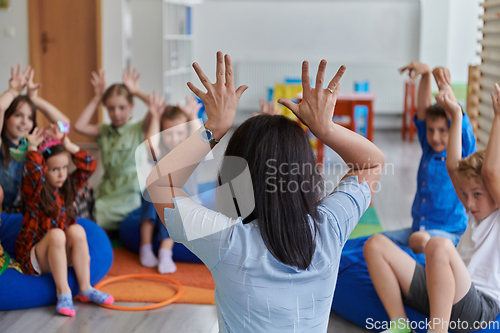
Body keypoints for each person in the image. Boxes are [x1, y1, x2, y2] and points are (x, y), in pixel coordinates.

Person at [145, 52, 385, 332]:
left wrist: (214, 128)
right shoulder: (329, 227)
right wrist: (325, 129)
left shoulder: (227, 242)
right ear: (306, 172)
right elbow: (372, 164)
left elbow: (160, 184)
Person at [363, 78, 500, 333]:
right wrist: (456, 115)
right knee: (375, 244)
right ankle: (400, 324)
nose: (468, 203)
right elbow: (452, 165)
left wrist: (499, 117)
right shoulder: (475, 209)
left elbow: (492, 171)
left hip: (478, 304)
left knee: (437, 244)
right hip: (444, 292)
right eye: (466, 194)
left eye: (477, 194)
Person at [15, 124, 113, 317]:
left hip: (60, 253)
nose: (61, 174)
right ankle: (64, 292)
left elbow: (89, 164)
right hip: (36, 257)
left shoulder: (66, 187)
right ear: (44, 171)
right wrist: (33, 148)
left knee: (77, 230)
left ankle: (85, 288)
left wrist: (67, 144)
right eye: (54, 169)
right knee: (57, 235)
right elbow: (34, 171)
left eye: (64, 168)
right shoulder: (35, 191)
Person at [383, 62, 476, 253]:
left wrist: (444, 87)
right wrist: (425, 75)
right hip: (419, 229)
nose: (434, 136)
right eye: (431, 131)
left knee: (417, 242)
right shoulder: (429, 149)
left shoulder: (462, 154)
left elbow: (458, 118)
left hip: (450, 234)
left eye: (442, 131)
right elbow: (423, 110)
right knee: (377, 241)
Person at [122, 95, 203, 273]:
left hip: (185, 203)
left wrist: (191, 116)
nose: (174, 138)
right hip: (159, 200)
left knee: (171, 200)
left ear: (186, 132)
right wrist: (156, 116)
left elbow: (201, 138)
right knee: (151, 190)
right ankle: (146, 247)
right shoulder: (160, 153)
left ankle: (165, 252)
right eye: (168, 133)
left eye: (179, 133)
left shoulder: (190, 152)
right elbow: (150, 145)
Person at [74, 67, 159, 231]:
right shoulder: (104, 130)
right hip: (106, 193)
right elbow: (79, 126)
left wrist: (135, 91)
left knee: (86, 220)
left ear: (131, 106)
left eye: (122, 107)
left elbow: (155, 105)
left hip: (129, 197)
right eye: (111, 108)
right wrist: (97, 98)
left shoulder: (138, 129)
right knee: (76, 210)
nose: (116, 113)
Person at [0, 65, 70, 213]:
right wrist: (13, 91)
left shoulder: (35, 143)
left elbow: (65, 125)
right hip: (7, 215)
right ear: (6, 117)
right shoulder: (2, 146)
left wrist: (34, 100)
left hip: (33, 213)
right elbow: (0, 106)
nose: (25, 122)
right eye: (18, 115)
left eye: (30, 117)